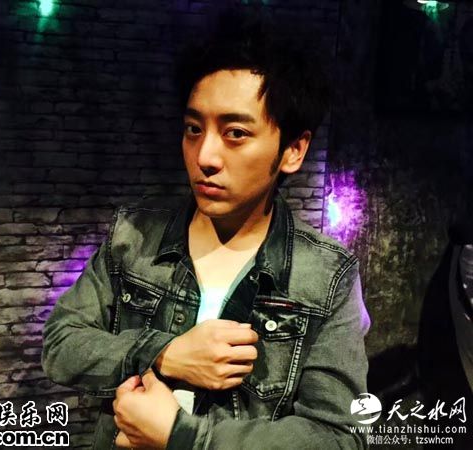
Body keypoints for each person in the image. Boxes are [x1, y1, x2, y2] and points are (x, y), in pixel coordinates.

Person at [42, 11, 371, 450]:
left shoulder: (326, 277)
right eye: (193, 129)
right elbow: (60, 344)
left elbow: (340, 437)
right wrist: (164, 353)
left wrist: (183, 437)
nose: (205, 156)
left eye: (235, 133)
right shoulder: (134, 235)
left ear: (293, 150)